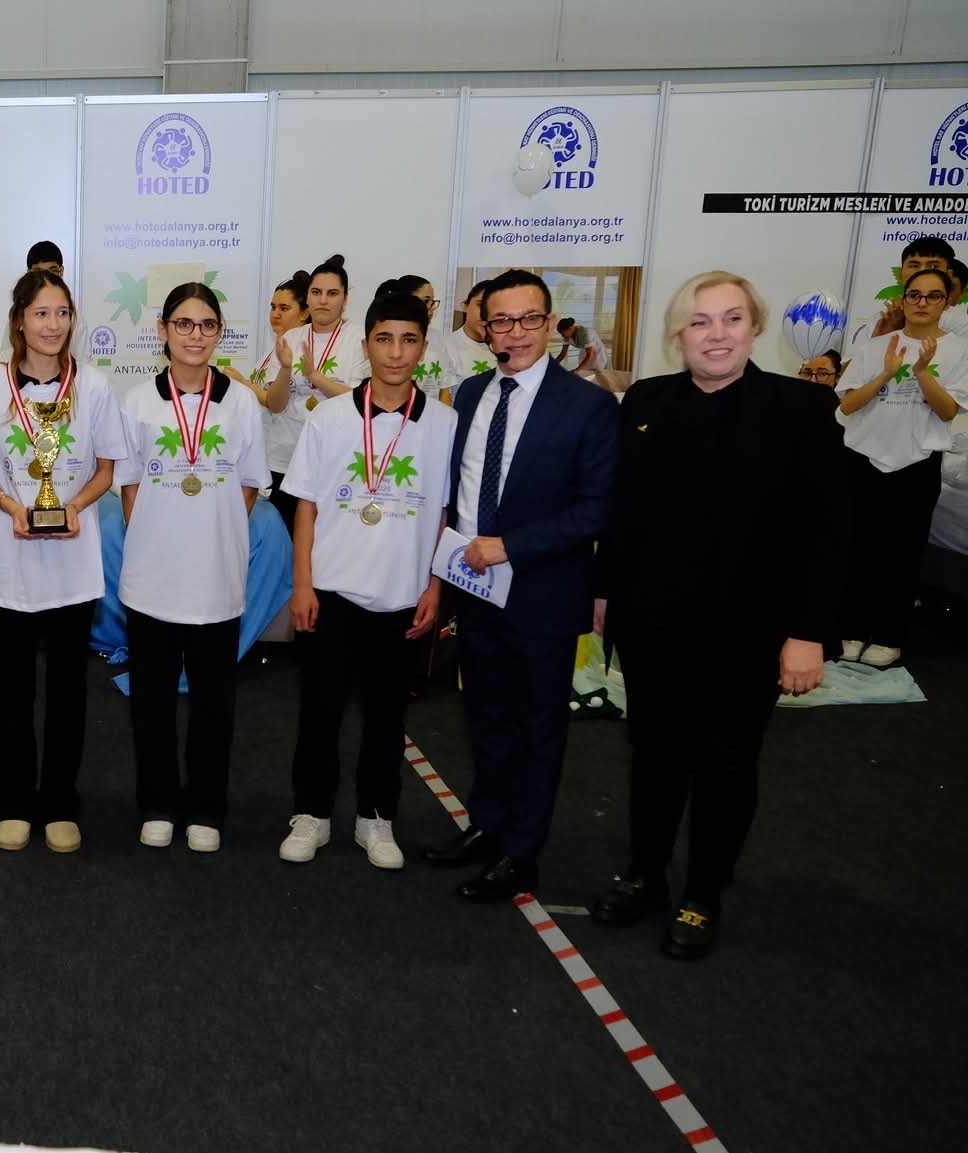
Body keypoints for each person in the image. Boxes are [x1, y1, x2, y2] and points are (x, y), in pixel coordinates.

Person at [588, 271, 841, 960]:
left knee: (726, 762)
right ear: (679, 336)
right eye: (700, 322)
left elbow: (826, 532)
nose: (717, 334)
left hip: (747, 631)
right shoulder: (647, 401)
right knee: (654, 754)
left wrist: (808, 633)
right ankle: (645, 875)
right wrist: (606, 591)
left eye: (731, 318)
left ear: (755, 327)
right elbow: (623, 509)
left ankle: (703, 893)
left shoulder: (801, 409)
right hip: (653, 621)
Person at [424, 269, 618, 900]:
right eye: (501, 321)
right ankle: (487, 826)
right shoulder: (471, 394)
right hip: (476, 590)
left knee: (538, 728)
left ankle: (523, 852)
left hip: (543, 593)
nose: (516, 332)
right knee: (485, 715)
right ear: (485, 329)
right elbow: (459, 488)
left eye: (529, 318)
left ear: (549, 321)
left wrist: (511, 545)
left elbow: (598, 508)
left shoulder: (588, 405)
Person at [278, 290, 457, 870]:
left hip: (403, 597)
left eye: (408, 340)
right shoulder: (329, 418)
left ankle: (376, 818)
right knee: (320, 712)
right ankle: (311, 813)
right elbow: (305, 505)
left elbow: (445, 513)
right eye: (384, 339)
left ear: (423, 349)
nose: (396, 352)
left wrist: (434, 586)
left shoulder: (445, 425)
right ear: (366, 346)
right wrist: (303, 585)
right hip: (332, 593)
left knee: (387, 717)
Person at [0, 269, 125, 854]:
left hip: (72, 562)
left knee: (67, 689)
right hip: (12, 559)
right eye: (41, 313)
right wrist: (10, 506)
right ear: (19, 321)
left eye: (62, 313)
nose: (52, 325)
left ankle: (59, 801)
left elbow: (106, 468)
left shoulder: (94, 387)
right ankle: (13, 801)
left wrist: (74, 506)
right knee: (11, 687)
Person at [115, 282, 267, 853]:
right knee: (151, 701)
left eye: (207, 325)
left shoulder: (242, 402)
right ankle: (156, 802)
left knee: (214, 702)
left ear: (219, 333)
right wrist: (162, 533)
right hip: (152, 578)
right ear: (163, 330)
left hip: (215, 578)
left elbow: (249, 485)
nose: (195, 335)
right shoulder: (137, 402)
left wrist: (211, 529)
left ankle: (206, 806)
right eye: (183, 323)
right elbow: (129, 486)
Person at [835, 266, 966, 669]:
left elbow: (947, 411)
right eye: (914, 295)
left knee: (903, 553)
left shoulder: (958, 350)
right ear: (904, 299)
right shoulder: (877, 347)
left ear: (947, 302)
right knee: (859, 548)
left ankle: (889, 635)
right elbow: (848, 404)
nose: (922, 303)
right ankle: (852, 627)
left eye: (933, 296)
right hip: (865, 460)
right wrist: (887, 373)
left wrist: (922, 371)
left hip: (916, 462)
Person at [272, 256, 367, 521]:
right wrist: (285, 369)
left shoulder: (360, 339)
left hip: (336, 460)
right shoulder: (292, 338)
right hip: (286, 459)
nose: (323, 300)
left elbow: (361, 400)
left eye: (332, 293)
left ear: (345, 299)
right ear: (308, 297)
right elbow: (276, 405)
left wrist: (315, 376)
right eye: (316, 292)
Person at [224, 274, 305, 524]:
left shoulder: (300, 350)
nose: (275, 314)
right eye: (273, 307)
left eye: (284, 308)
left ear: (305, 313)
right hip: (269, 453)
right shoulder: (274, 349)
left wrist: (241, 382)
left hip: (288, 457)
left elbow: (273, 401)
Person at [860, 236, 961, 341]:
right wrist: (883, 338)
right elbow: (862, 351)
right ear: (900, 275)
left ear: (949, 275)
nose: (922, 271)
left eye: (933, 266)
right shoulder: (882, 318)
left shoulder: (961, 324)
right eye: (914, 266)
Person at [443, 280, 497, 386]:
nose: (485, 313)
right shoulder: (445, 346)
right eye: (480, 305)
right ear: (465, 306)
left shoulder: (507, 348)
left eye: (494, 307)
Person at [555, 317, 610, 381]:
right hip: (585, 350)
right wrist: (553, 364)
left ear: (570, 328)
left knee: (597, 375)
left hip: (597, 352)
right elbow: (563, 353)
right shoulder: (566, 336)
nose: (562, 335)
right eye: (561, 333)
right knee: (583, 373)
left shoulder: (585, 334)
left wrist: (576, 370)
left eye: (563, 333)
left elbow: (589, 355)